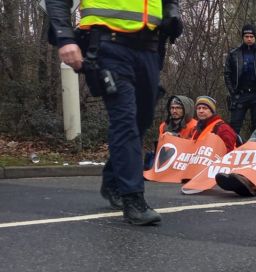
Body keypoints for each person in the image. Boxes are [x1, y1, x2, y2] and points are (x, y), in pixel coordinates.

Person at [47, 0, 183, 225]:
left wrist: (172, 13)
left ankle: (113, 180)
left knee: (142, 120)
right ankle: (133, 199)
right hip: (109, 45)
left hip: (150, 47)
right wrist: (65, 36)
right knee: (125, 121)